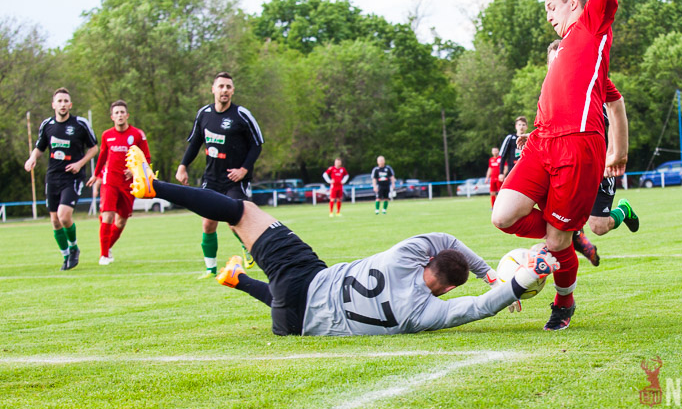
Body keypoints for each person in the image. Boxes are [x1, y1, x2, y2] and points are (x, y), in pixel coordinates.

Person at [126, 145, 559, 336]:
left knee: (241, 211)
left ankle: (153, 187)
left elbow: (445, 238)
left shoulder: (405, 256)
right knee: (282, 288)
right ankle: (238, 280)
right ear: (446, 290)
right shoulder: (426, 314)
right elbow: (479, 309)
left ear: (428, 261)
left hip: (307, 280)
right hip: (294, 325)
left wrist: (491, 274)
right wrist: (519, 282)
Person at [491, 0, 625, 331]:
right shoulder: (561, 50)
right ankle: (565, 233)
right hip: (542, 142)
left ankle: (564, 300)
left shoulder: (592, 25)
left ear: (572, 3)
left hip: (577, 146)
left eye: (550, 6)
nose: (547, 16)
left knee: (555, 240)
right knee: (502, 216)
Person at [542, 40, 640, 267]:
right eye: (552, 63)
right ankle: (575, 240)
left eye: (560, 61)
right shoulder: (550, 93)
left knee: (599, 226)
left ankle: (623, 211)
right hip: (571, 164)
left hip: (599, 164)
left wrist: (613, 154)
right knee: (554, 211)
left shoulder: (590, 86)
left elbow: (614, 115)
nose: (556, 66)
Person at [175, 72, 265, 278]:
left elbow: (257, 145)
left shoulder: (242, 115)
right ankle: (210, 269)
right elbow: (195, 143)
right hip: (211, 178)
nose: (225, 90)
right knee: (208, 223)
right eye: (221, 86)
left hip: (234, 179)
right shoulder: (204, 114)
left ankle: (248, 248)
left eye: (228, 87)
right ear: (213, 89)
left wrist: (244, 170)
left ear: (233, 91)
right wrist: (182, 166)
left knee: (235, 221)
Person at [24, 88, 98, 270]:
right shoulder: (47, 125)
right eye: (59, 101)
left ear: (70, 105)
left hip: (72, 178)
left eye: (66, 101)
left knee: (64, 216)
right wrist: (32, 158)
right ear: (53, 105)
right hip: (53, 177)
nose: (63, 104)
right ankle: (66, 256)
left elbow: (94, 148)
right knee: (55, 221)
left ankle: (74, 248)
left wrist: (80, 164)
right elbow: (40, 147)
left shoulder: (80, 124)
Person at [86, 100, 151, 265]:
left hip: (129, 184)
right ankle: (103, 256)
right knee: (107, 215)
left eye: (122, 112)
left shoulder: (137, 134)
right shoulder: (107, 135)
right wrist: (96, 175)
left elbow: (147, 158)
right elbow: (102, 156)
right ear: (112, 117)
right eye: (116, 113)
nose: (120, 115)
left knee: (121, 221)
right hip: (110, 181)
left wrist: (135, 170)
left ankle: (107, 247)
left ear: (127, 115)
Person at [499, 117, 528, 182]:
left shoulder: (529, 139)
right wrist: (501, 173)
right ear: (516, 126)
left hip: (525, 169)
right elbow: (503, 156)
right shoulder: (510, 138)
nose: (521, 127)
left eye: (523, 125)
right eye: (519, 125)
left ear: (526, 127)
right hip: (512, 169)